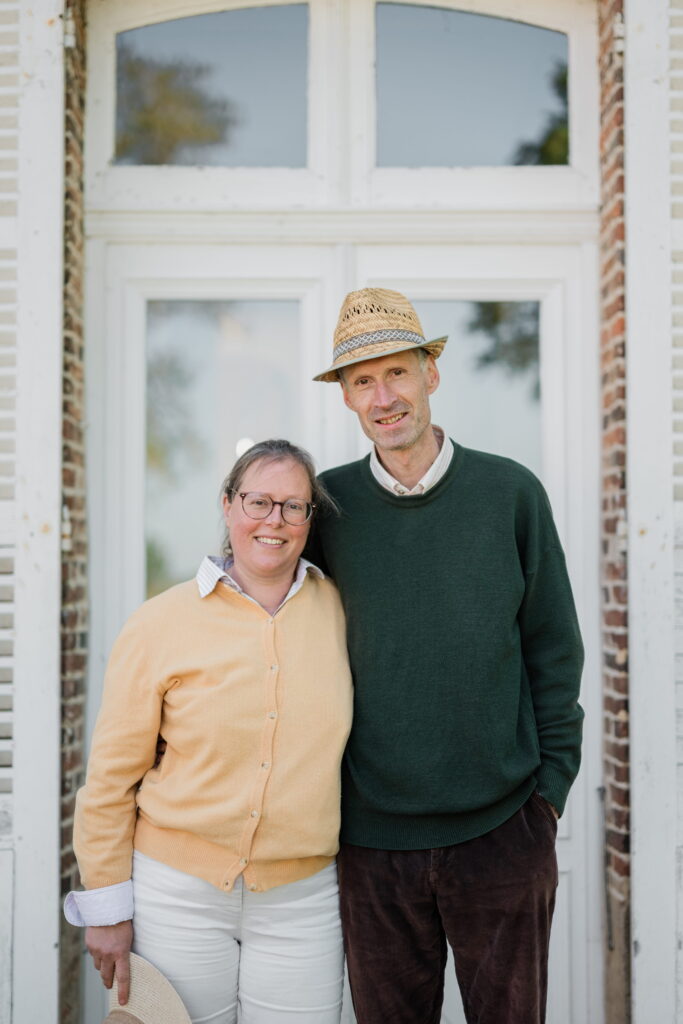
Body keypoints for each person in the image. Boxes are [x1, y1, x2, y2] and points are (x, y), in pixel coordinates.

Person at [307, 288, 585, 1024]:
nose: (383, 397)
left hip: (503, 830)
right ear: (345, 397)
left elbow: (553, 649)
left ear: (431, 373)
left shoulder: (510, 493)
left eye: (397, 372)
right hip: (371, 837)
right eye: (362, 381)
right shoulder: (326, 508)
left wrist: (548, 796)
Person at [64, 439, 353, 1024]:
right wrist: (106, 907)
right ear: (227, 504)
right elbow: (112, 779)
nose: (275, 520)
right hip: (176, 894)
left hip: (304, 902)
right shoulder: (159, 622)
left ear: (309, 519)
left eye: (294, 506)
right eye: (258, 501)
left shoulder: (344, 614)